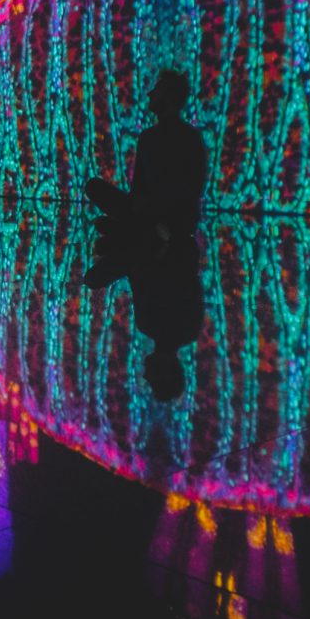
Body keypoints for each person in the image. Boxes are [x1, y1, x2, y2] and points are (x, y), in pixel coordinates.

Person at [83, 71, 210, 400]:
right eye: (152, 378)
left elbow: (173, 189)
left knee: (106, 220)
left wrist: (151, 217)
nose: (150, 96)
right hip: (164, 220)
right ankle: (128, 230)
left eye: (156, 92)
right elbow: (184, 188)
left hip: (164, 220)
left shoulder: (156, 326)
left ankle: (126, 230)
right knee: (97, 191)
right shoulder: (173, 138)